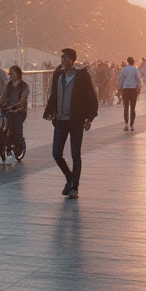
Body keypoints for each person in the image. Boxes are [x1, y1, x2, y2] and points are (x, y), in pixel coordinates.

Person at [43, 48, 98, 199]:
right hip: (60, 120)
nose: (62, 60)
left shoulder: (81, 77)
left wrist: (90, 118)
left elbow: (90, 97)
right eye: (61, 58)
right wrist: (49, 112)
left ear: (72, 60)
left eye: (65, 58)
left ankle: (74, 186)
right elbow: (54, 95)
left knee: (75, 154)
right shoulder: (58, 76)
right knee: (56, 153)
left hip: (75, 120)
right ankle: (69, 177)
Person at [0, 65, 30, 156]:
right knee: (2, 128)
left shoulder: (24, 86)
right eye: (10, 74)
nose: (10, 76)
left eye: (12, 74)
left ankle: (19, 145)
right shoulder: (8, 85)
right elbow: (3, 97)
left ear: (18, 74)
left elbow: (23, 100)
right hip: (8, 110)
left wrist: (15, 106)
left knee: (16, 128)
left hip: (19, 111)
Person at [117, 56, 142, 131]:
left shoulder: (124, 69)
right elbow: (138, 79)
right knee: (133, 108)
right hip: (133, 90)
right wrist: (139, 88)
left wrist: (119, 87)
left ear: (127, 62)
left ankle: (126, 124)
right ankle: (132, 125)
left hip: (126, 90)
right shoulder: (135, 69)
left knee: (126, 107)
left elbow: (120, 79)